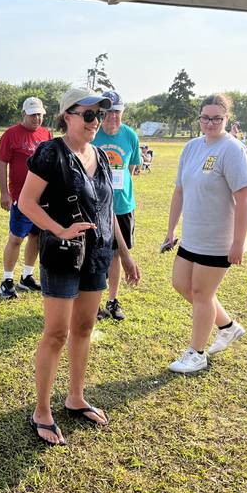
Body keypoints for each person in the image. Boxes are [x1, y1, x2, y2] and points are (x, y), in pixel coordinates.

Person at [18, 88, 140, 445]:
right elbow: (27, 202)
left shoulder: (101, 156)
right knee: (56, 333)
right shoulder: (50, 153)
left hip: (98, 254)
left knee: (84, 328)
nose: (95, 122)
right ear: (67, 116)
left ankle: (75, 397)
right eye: (87, 115)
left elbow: (108, 210)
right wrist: (59, 229)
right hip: (62, 255)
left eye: (98, 116)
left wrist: (125, 253)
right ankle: (41, 410)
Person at [163, 93, 247, 374]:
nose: (210, 122)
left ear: (226, 119)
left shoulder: (233, 150)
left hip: (218, 240)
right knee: (182, 284)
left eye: (217, 118)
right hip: (193, 235)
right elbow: (180, 190)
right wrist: (171, 229)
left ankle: (196, 353)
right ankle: (227, 326)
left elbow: (245, 197)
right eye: (205, 117)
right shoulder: (191, 147)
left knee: (202, 293)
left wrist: (238, 243)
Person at [0, 97, 52, 299]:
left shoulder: (46, 134)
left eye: (39, 114)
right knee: (16, 239)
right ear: (24, 114)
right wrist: (4, 193)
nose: (36, 118)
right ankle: (6, 280)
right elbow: (2, 164)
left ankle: (27, 276)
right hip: (21, 197)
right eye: (32, 114)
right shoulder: (11, 135)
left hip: (42, 199)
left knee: (36, 237)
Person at [92, 90, 141, 321]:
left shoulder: (130, 136)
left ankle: (112, 301)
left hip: (122, 205)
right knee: (96, 253)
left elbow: (131, 171)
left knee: (116, 255)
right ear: (101, 112)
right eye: (108, 111)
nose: (113, 116)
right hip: (96, 206)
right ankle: (94, 303)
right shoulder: (93, 135)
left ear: (123, 112)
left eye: (117, 111)